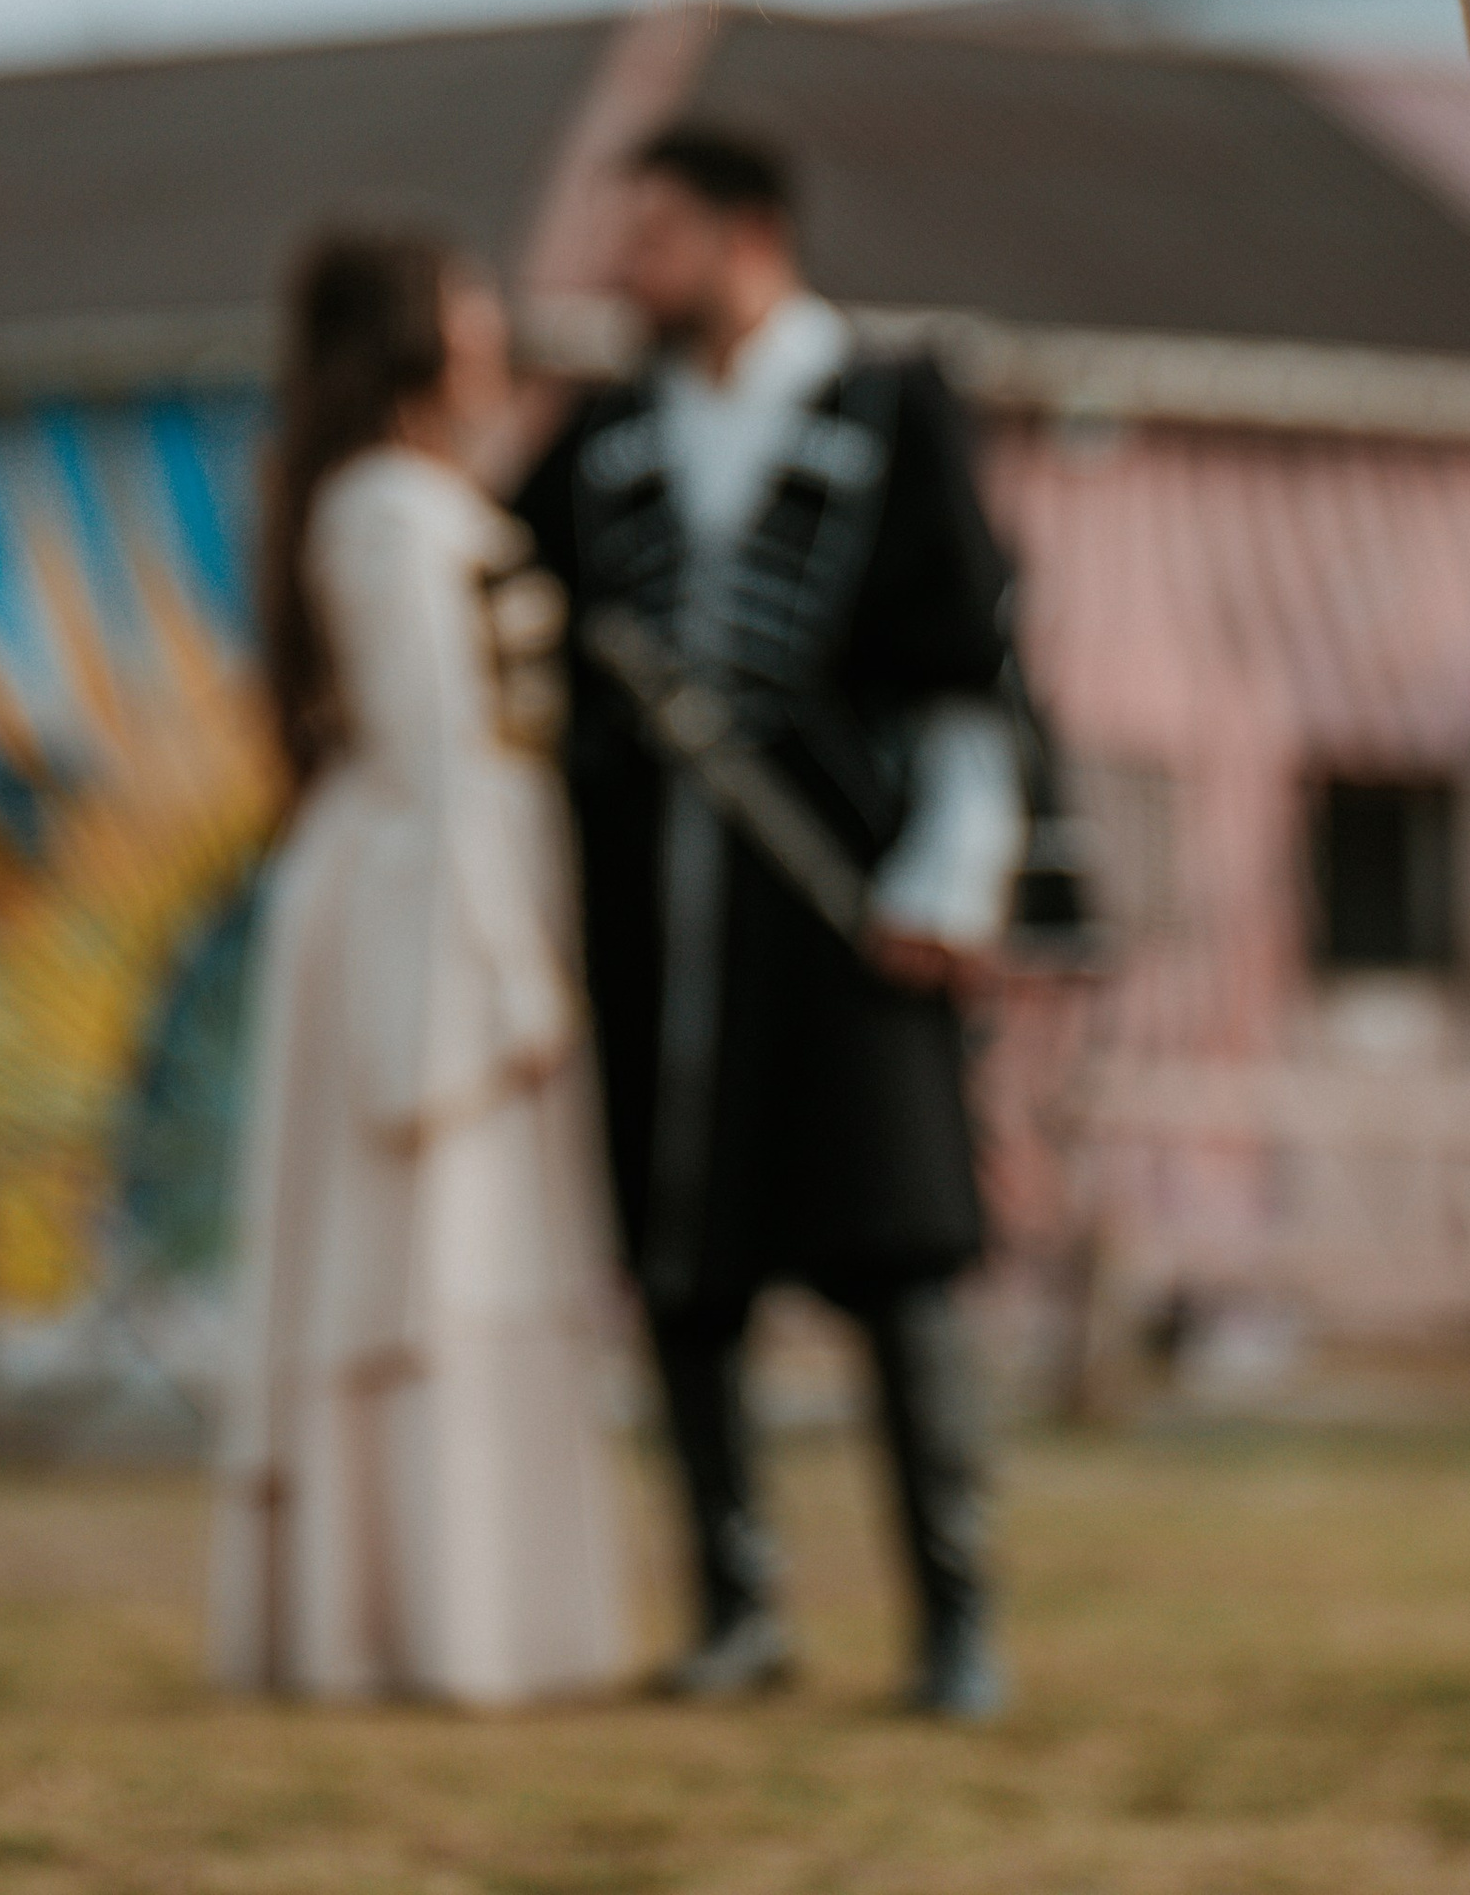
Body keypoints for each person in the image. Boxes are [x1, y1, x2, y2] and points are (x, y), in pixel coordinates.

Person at [516, 126, 1024, 1719]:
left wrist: (953, 881)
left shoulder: (891, 407)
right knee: (689, 1274)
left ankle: (957, 1626)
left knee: (899, 1260)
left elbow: (968, 671)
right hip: (661, 919)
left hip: (849, 899)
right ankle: (738, 1612)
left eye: (653, 235)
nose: (625, 268)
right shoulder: (600, 435)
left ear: (747, 238)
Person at [209, 229, 628, 1706]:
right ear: (412, 333)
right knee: (420, 1268)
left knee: (467, 1263)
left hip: (433, 893)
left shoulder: (422, 499)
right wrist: (512, 974)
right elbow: (441, 758)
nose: (491, 322)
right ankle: (415, 1627)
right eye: (467, 301)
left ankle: (479, 1619)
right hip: (418, 920)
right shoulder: (388, 512)